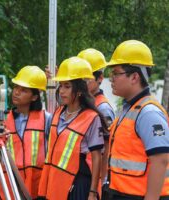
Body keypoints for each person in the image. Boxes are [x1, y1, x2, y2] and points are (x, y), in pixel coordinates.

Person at [105, 40, 169, 200]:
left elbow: (160, 160)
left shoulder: (148, 113)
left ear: (134, 77)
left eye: (116, 73)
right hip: (120, 193)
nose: (111, 78)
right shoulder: (128, 108)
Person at [38, 57, 108, 200]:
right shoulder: (58, 112)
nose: (62, 91)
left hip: (78, 185)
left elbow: (96, 157)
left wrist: (93, 192)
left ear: (80, 90)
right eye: (61, 85)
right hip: (55, 183)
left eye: (67, 86)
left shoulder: (91, 117)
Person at [0, 66, 52, 199]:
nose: (16, 92)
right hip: (10, 183)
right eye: (16, 87)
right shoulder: (3, 118)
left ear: (34, 97)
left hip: (36, 187)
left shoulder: (47, 119)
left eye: (23, 90)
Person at [77, 48, 115, 190]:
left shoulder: (103, 108)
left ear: (100, 78)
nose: (83, 82)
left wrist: (100, 184)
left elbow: (106, 150)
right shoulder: (82, 103)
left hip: (93, 180)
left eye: (88, 78)